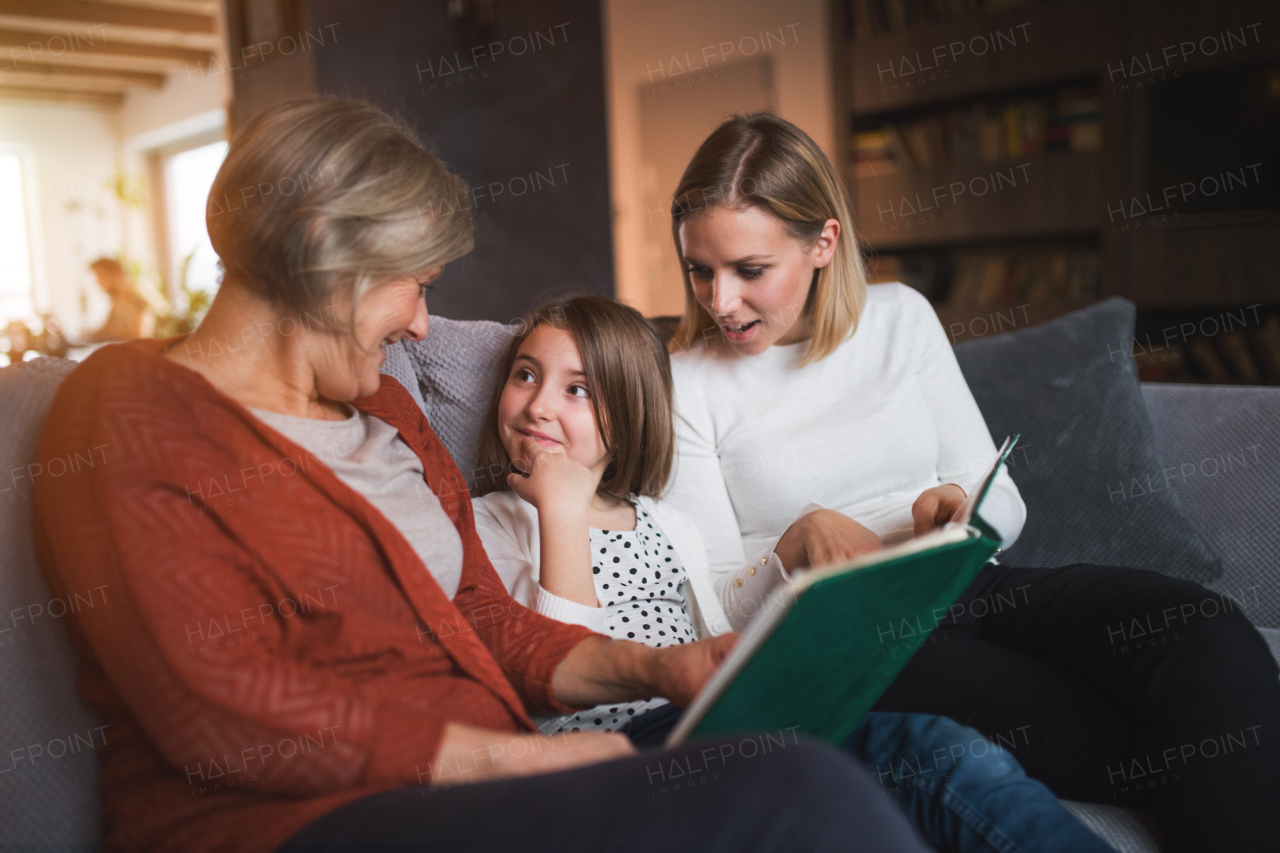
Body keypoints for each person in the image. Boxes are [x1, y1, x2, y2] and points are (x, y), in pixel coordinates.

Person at [32, 97, 934, 853]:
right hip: (298, 822)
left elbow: (480, 615)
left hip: (481, 778)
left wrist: (661, 666)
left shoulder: (384, 409)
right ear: (323, 255)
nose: (424, 326)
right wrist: (522, 761)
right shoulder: (130, 410)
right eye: (414, 285)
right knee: (791, 790)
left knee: (876, 743)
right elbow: (225, 713)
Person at [660, 111, 1280, 853]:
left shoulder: (901, 317)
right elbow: (705, 606)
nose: (719, 299)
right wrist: (792, 546)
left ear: (824, 242)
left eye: (749, 270)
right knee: (1153, 729)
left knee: (1203, 629)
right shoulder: (683, 379)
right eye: (700, 268)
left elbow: (999, 497)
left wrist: (956, 510)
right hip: (850, 640)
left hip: (973, 584)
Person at [471, 294, 1113, 853]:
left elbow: (719, 626)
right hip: (618, 751)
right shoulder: (488, 523)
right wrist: (559, 508)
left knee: (952, 750)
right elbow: (550, 682)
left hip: (715, 722)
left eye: (577, 389)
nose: (538, 407)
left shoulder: (665, 521)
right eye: (525, 375)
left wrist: (788, 557)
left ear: (630, 411)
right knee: (929, 763)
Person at [83, 257, 155, 341]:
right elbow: (105, 329)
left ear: (116, 275)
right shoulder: (117, 300)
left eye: (100, 277)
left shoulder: (138, 298)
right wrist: (87, 335)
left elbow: (139, 333)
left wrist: (110, 332)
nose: (98, 282)